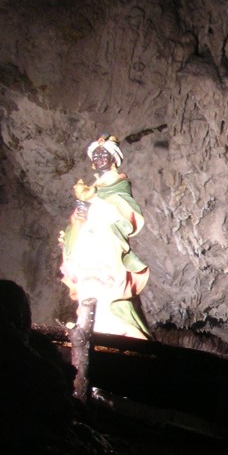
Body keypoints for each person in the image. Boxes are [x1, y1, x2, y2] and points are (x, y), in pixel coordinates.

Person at [59, 135, 151, 339]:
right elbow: (80, 220)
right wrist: (78, 219)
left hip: (108, 245)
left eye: (104, 153)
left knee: (108, 286)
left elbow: (125, 213)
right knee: (87, 283)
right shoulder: (94, 187)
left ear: (113, 159)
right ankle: (88, 325)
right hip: (91, 244)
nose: (100, 157)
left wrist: (93, 198)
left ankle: (116, 328)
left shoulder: (118, 184)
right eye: (97, 154)